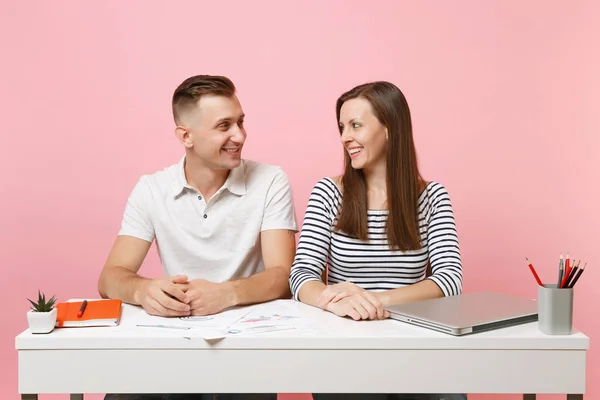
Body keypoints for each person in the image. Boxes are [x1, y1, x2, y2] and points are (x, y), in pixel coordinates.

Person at [98, 74, 298, 400]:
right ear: (186, 136)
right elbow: (109, 278)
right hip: (174, 339)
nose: (239, 135)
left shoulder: (270, 181)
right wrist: (145, 289)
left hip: (245, 344)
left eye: (241, 122)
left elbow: (282, 276)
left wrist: (226, 294)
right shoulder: (152, 188)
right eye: (224, 126)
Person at [288, 81, 466, 400]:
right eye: (342, 127)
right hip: (346, 347)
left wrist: (374, 301)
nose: (345, 137)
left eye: (356, 125)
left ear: (389, 128)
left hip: (415, 343)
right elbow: (301, 277)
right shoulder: (329, 193)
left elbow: (450, 280)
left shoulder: (432, 197)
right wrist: (338, 301)